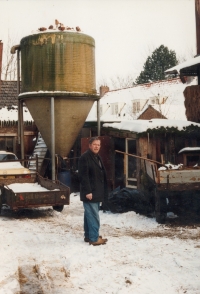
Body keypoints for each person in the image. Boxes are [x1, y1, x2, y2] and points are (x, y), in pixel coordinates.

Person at [78, 137, 108, 246]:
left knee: (89, 215)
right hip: (91, 193)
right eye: (94, 144)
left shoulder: (97, 157)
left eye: (98, 145)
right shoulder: (85, 158)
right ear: (89, 145)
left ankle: (89, 236)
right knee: (94, 215)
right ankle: (94, 238)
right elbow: (83, 176)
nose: (96, 146)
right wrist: (88, 191)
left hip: (96, 191)